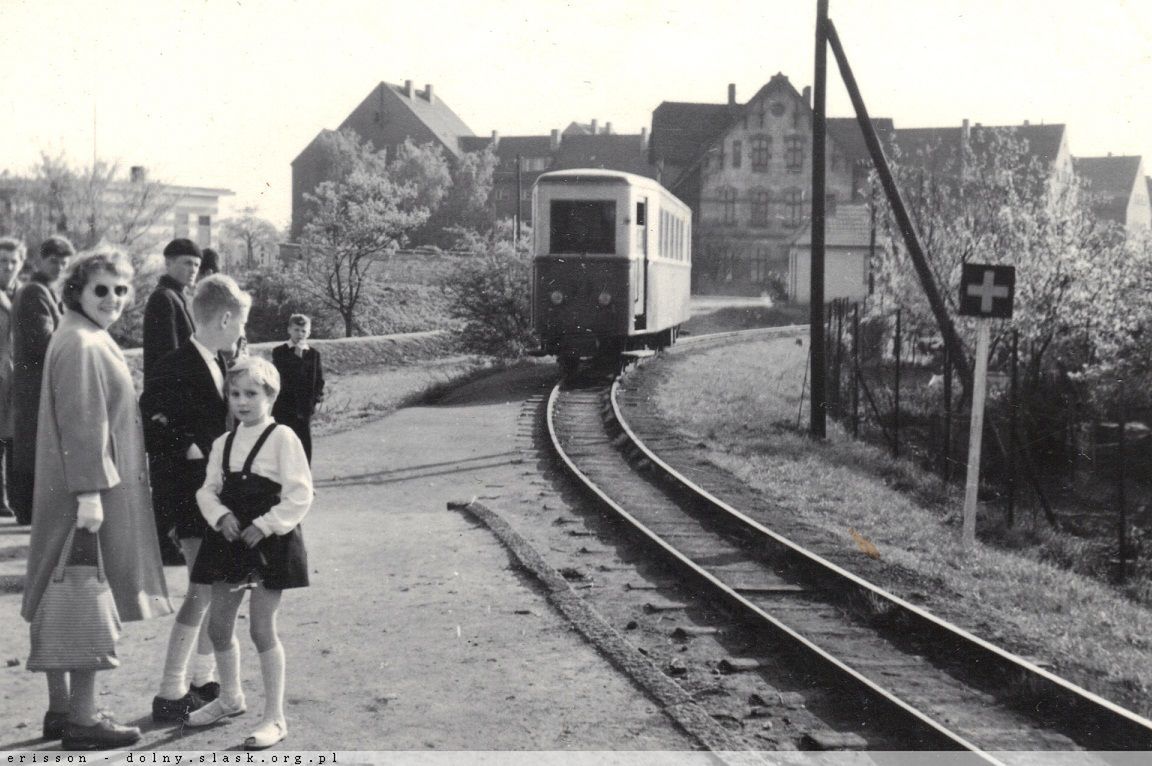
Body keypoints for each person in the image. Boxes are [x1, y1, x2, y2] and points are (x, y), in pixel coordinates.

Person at [22, 249, 173, 749]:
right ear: (77, 291)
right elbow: (85, 424)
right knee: (86, 594)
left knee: (60, 589)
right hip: (88, 492)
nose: (113, 299)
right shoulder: (84, 342)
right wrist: (90, 494)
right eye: (101, 289)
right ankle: (83, 721)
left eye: (121, 290)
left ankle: (61, 709)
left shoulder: (77, 333)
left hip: (74, 488)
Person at [186, 356, 311, 750]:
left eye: (251, 394)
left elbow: (300, 493)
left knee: (261, 629)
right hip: (229, 541)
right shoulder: (222, 443)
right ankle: (230, 697)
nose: (242, 402)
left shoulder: (283, 438)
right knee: (218, 627)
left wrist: (267, 523)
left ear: (270, 396)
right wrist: (220, 515)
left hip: (267, 544)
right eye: (235, 394)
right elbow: (206, 490)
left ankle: (274, 717)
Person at [141, 275, 251, 721]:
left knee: (213, 587)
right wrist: (190, 444)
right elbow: (151, 419)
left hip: (208, 497)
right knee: (203, 589)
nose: (243, 330)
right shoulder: (176, 363)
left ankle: (201, 680)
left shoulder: (217, 361)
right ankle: (170, 691)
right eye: (241, 322)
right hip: (189, 499)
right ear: (225, 317)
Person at [143, 237, 202, 564]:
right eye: (185, 263)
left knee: (174, 477)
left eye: (195, 265)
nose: (192, 270)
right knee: (169, 479)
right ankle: (166, 546)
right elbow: (168, 359)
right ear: (168, 264)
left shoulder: (176, 297)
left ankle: (169, 543)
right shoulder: (164, 299)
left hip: (173, 402)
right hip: (168, 404)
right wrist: (169, 409)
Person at [10, 236, 73, 525]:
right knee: (34, 445)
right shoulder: (35, 291)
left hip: (39, 383)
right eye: (53, 261)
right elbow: (45, 340)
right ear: (39, 261)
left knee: (35, 445)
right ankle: (29, 510)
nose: (60, 267)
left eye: (64, 262)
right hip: (36, 383)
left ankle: (31, 509)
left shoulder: (46, 291)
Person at [271, 314, 325, 463]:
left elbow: (319, 380)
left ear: (309, 332)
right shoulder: (279, 352)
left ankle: (304, 480)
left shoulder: (314, 354)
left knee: (304, 445)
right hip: (284, 406)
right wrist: (298, 355)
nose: (300, 334)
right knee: (283, 443)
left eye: (303, 331)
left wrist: (314, 399)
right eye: (296, 330)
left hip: (304, 408)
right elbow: (287, 376)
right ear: (289, 330)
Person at [0, 237, 26, 519]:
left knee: (16, 440)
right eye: (2, 261)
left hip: (17, 377)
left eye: (13, 261)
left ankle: (16, 500)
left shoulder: (25, 293)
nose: (8, 267)